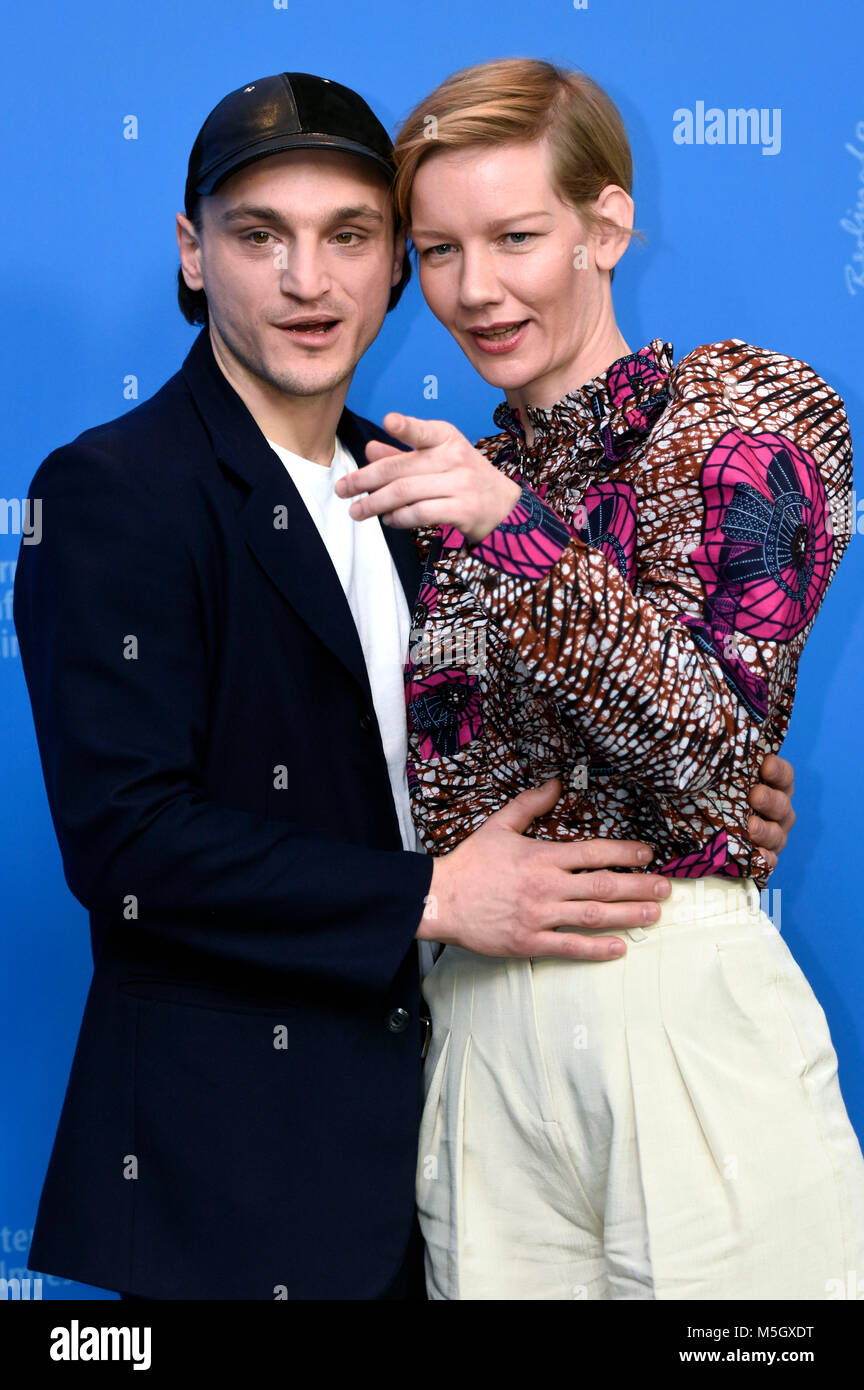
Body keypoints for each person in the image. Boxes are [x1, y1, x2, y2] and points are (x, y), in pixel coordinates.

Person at [17, 70, 783, 1302]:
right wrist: (436, 896)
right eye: (260, 235)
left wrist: (715, 790)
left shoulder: (428, 489)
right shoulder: (115, 489)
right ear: (193, 252)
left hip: (452, 1162)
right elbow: (128, 843)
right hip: (234, 1189)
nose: (308, 281)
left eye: (351, 237)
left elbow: (514, 741)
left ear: (389, 269)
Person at [336, 57, 864, 1299]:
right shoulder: (436, 483)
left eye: (517, 236)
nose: (475, 290)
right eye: (441, 250)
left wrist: (513, 528)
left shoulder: (748, 408)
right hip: (473, 1024)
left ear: (606, 225)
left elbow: (712, 754)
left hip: (670, 1001)